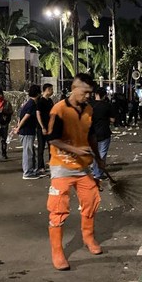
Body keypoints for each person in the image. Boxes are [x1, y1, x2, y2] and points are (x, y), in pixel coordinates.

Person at [46, 74, 104, 271]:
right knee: (58, 209)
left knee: (91, 201)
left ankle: (88, 237)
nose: (88, 96)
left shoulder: (89, 110)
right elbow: (52, 139)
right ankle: (57, 251)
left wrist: (100, 159)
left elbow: (92, 136)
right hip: (61, 168)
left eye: (90, 93)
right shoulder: (59, 110)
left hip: (82, 168)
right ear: (74, 89)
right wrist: (76, 150)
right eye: (85, 92)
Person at [14, 85, 41, 179]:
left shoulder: (28, 102)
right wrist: (18, 128)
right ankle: (27, 172)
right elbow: (26, 117)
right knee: (27, 152)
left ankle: (30, 170)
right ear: (38, 93)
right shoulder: (32, 104)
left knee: (29, 151)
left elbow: (20, 115)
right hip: (27, 131)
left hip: (25, 131)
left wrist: (18, 126)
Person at [90, 87, 115, 180]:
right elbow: (113, 119)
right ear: (104, 96)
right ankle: (98, 173)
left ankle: (94, 170)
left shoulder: (89, 105)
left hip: (92, 133)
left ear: (95, 94)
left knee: (95, 152)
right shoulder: (107, 105)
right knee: (102, 153)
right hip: (104, 132)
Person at [36, 84, 55, 172]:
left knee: (51, 147)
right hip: (42, 128)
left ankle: (51, 164)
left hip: (50, 127)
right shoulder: (40, 101)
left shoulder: (50, 101)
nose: (52, 91)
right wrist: (42, 126)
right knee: (41, 147)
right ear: (47, 90)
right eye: (51, 89)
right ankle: (41, 166)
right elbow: (38, 114)